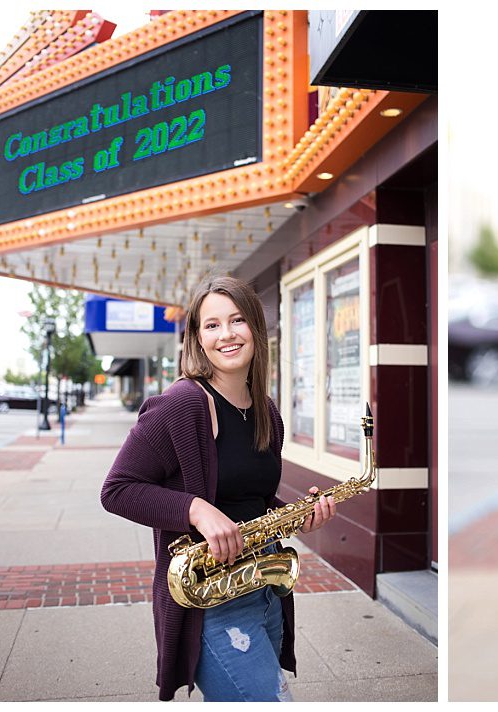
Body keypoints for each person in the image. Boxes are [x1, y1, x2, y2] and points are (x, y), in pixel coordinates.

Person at [102, 275, 338, 700]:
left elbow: (254, 499)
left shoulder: (265, 410)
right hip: (211, 599)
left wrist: (296, 515)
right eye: (211, 325)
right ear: (196, 337)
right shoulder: (180, 404)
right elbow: (117, 489)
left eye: (237, 321)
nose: (226, 334)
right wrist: (195, 509)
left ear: (256, 329)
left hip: (264, 587)